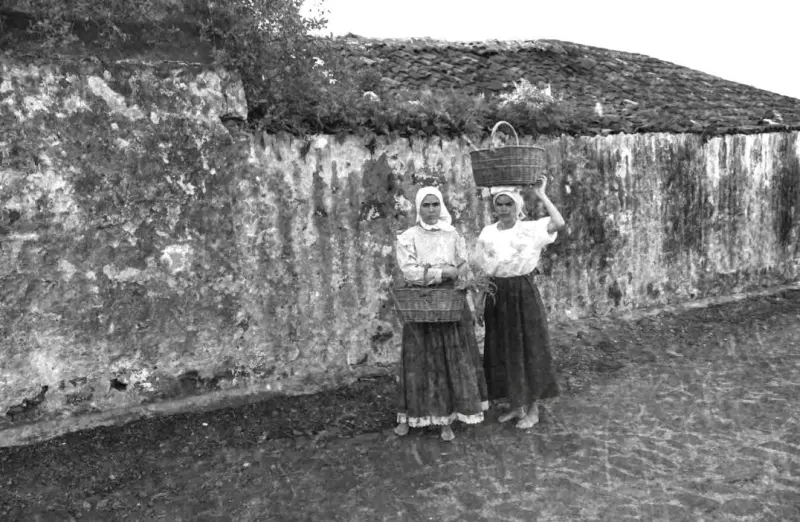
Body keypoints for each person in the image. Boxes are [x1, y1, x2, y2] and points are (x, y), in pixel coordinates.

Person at [393, 186, 489, 441]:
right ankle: (410, 416)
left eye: (436, 205)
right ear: (418, 208)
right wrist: (443, 273)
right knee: (419, 361)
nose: (432, 210)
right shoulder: (408, 237)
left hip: (450, 303)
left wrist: (460, 274)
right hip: (422, 303)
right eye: (426, 205)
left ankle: (447, 417)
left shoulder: (452, 234)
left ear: (442, 206)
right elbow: (410, 272)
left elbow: (463, 265)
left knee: (449, 360)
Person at [473, 174, 566, 429]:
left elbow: (558, 223)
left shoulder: (529, 229)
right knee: (502, 348)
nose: (504, 209)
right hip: (496, 293)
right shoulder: (488, 232)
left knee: (528, 347)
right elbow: (484, 270)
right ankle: (517, 405)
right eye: (499, 204)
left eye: (509, 204)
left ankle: (533, 409)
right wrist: (480, 301)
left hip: (522, 292)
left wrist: (542, 195)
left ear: (517, 206)